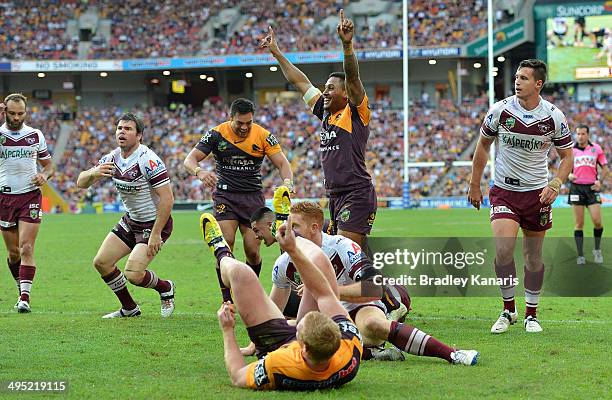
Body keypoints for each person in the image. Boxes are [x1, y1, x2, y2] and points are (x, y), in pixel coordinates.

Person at [250, 199, 479, 365]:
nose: (288, 232)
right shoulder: (283, 264)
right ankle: (372, 352)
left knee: (373, 326)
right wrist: (255, 345)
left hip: (359, 305)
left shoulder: (342, 246)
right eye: (288, 226)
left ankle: (452, 354)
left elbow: (373, 288)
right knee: (297, 330)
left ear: (314, 228)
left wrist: (329, 291)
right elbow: (274, 313)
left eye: (295, 227)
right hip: (328, 314)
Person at [468, 59, 574, 333]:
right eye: (516, 77)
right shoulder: (500, 111)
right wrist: (474, 184)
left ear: (538, 84)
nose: (517, 82)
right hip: (504, 191)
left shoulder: (553, 116)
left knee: (533, 257)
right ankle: (507, 310)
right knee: (503, 251)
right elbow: (483, 146)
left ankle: (531, 314)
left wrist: (557, 182)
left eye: (524, 78)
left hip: (537, 194)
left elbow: (567, 156)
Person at [201, 212, 363, 390]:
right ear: (337, 334)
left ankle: (221, 250)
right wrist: (292, 249)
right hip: (314, 350)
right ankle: (287, 235)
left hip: (277, 345)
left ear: (303, 348)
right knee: (319, 262)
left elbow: (238, 376)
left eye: (298, 327)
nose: (295, 324)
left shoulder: (279, 366)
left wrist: (227, 330)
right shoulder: (350, 343)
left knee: (241, 274)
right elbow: (325, 294)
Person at [260, 9, 377, 249]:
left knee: (342, 253)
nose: (325, 92)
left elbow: (353, 78)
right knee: (349, 256)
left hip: (356, 193)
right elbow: (300, 82)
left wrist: (347, 46)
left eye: (331, 88)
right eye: (325, 87)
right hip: (334, 195)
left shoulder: (355, 112)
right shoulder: (325, 113)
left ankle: (375, 285)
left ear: (345, 94)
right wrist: (277, 53)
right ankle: (376, 284)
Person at [184, 98, 292, 298]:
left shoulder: (263, 135)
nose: (244, 127)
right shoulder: (216, 134)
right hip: (226, 196)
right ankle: (227, 299)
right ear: (230, 117)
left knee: (252, 251)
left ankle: (248, 293)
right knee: (226, 243)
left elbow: (283, 164)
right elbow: (189, 160)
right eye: (239, 123)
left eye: (248, 123)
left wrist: (287, 183)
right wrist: (199, 172)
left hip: (253, 199)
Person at [76, 113, 175, 318]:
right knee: (101, 262)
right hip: (132, 220)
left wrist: (156, 234)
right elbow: (80, 182)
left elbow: (167, 199)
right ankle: (129, 308)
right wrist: (93, 173)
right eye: (120, 128)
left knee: (134, 274)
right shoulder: (112, 158)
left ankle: (165, 287)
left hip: (153, 224)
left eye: (128, 129)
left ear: (139, 135)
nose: (122, 132)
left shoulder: (148, 160)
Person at [0, 94, 55, 313]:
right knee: (13, 253)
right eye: (12, 113)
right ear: (5, 112)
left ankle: (25, 298)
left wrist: (45, 176)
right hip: (4, 198)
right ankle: (20, 286)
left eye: (20, 113)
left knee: (26, 247)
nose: (16, 117)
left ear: (26, 112)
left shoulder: (35, 135)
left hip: (30, 196)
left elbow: (49, 166)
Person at [568, 125, 608, 264]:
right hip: (576, 189)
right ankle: (580, 255)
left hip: (592, 189)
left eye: (583, 134)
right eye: (578, 134)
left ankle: (597, 250)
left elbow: (605, 168)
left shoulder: (596, 149)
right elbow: (564, 166)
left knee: (597, 222)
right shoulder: (571, 150)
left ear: (588, 135)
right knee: (579, 224)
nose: (580, 136)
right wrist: (568, 174)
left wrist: (600, 181)